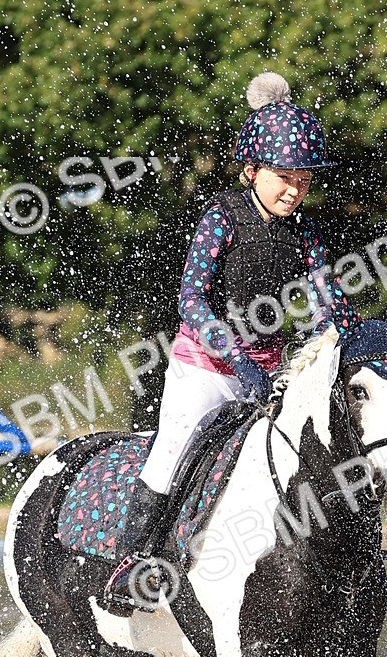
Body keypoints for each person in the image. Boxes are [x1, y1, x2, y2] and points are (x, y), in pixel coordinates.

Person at [105, 71, 358, 608]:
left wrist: (342, 330)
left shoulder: (307, 234)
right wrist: (239, 363)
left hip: (268, 374)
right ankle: (135, 563)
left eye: (305, 179)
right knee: (172, 452)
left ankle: (356, 563)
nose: (294, 188)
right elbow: (191, 303)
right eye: (284, 176)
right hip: (203, 368)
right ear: (251, 170)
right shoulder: (221, 217)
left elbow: (325, 298)